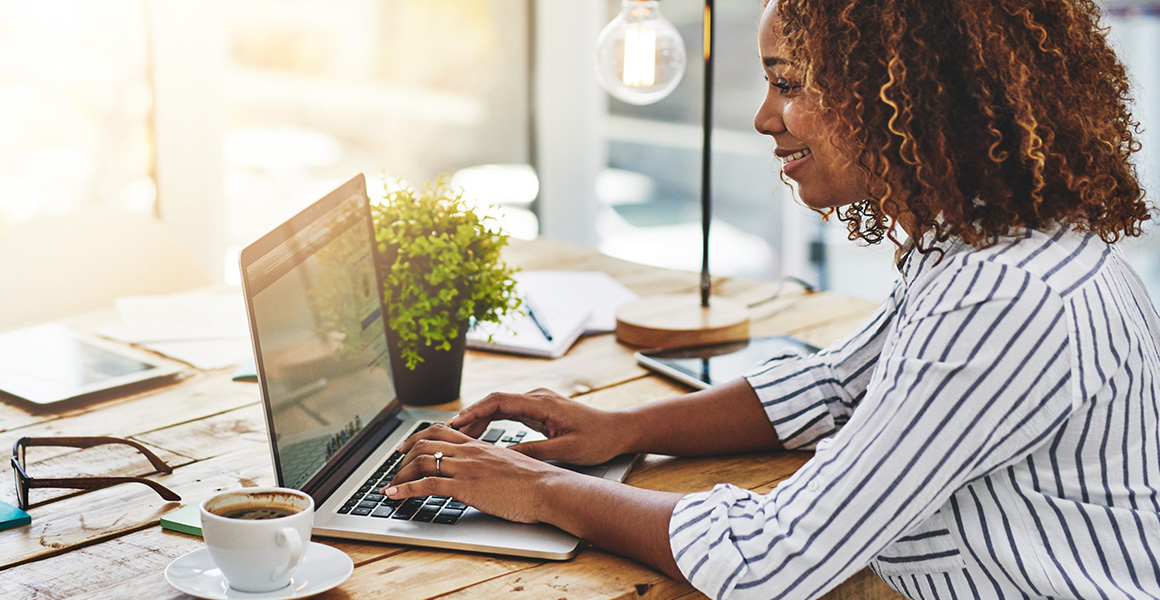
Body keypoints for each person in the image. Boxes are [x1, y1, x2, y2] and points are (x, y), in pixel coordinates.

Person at [386, 0, 1160, 598]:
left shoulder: (1002, 298)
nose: (764, 118)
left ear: (908, 93)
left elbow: (773, 559)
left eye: (789, 84)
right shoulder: (985, 244)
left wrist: (541, 489)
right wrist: (618, 428)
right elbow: (832, 389)